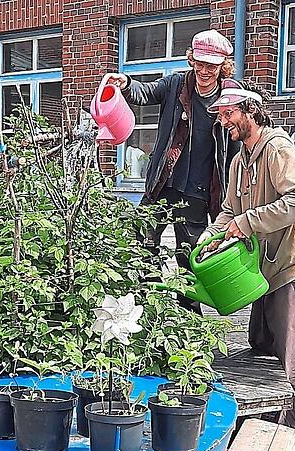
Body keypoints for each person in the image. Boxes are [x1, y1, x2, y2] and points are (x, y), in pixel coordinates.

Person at [202, 84, 295, 432]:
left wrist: (248, 222)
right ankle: (265, 430)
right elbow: (229, 210)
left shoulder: (277, 148)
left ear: (251, 110)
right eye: (221, 115)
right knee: (262, 350)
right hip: (261, 272)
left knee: (293, 360)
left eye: (229, 113)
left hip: (291, 269)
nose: (224, 122)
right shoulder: (239, 160)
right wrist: (211, 235)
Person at [101, 29, 242, 313]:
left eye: (211, 66)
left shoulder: (230, 97)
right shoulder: (176, 84)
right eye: (199, 63)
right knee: (142, 244)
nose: (204, 71)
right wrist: (125, 83)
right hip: (162, 186)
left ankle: (188, 317)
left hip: (200, 193)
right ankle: (144, 306)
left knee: (190, 256)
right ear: (191, 60)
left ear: (222, 66)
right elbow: (145, 92)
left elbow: (243, 134)